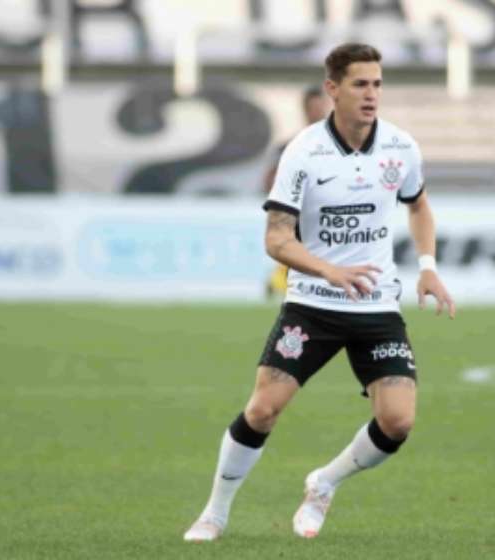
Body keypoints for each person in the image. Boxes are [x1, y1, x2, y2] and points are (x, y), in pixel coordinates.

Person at [184, 42, 455, 542]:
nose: (371, 94)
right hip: (312, 305)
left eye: (377, 83)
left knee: (397, 422)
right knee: (263, 408)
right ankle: (214, 512)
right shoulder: (303, 153)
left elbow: (418, 206)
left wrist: (428, 266)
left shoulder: (400, 148)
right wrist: (327, 269)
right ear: (333, 89)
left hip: (376, 305)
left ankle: (325, 482)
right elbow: (276, 238)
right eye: (360, 84)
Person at [262, 86, 332, 296]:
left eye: (320, 106)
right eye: (312, 107)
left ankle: (279, 281)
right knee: (293, 244)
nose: (317, 111)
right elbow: (270, 177)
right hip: (298, 208)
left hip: (327, 208)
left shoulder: (338, 142)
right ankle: (280, 281)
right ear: (305, 109)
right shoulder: (291, 145)